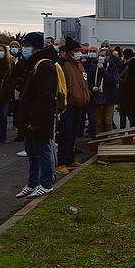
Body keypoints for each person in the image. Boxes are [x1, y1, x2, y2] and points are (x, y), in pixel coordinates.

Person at [15, 32, 58, 198]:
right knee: (31, 151)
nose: (24, 48)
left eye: (26, 45)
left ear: (34, 46)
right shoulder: (33, 63)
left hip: (38, 118)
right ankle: (32, 183)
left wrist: (36, 119)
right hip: (29, 116)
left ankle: (46, 183)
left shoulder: (44, 65)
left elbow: (45, 96)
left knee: (42, 150)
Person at [57, 38, 90, 175]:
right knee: (65, 133)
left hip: (79, 104)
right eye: (76, 51)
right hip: (68, 105)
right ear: (69, 52)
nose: (79, 53)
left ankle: (70, 159)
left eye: (79, 51)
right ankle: (62, 162)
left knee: (73, 133)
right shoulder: (63, 65)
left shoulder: (79, 65)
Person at [91, 48, 119, 133]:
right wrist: (92, 87)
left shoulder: (112, 66)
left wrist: (103, 70)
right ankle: (99, 139)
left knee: (108, 121)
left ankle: (107, 139)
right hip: (98, 95)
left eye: (103, 56)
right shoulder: (94, 65)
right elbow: (90, 79)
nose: (101, 58)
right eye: (99, 55)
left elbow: (113, 80)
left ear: (108, 56)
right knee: (98, 121)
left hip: (108, 96)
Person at [120, 44, 135, 127]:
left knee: (131, 112)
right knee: (131, 112)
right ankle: (132, 128)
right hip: (131, 91)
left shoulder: (132, 62)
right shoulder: (131, 62)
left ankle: (131, 128)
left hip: (132, 91)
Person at [81, 45, 100, 137]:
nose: (91, 53)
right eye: (90, 51)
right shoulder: (84, 64)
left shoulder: (98, 63)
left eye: (94, 51)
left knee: (92, 114)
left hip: (93, 93)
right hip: (85, 91)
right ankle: (80, 132)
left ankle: (92, 131)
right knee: (82, 115)